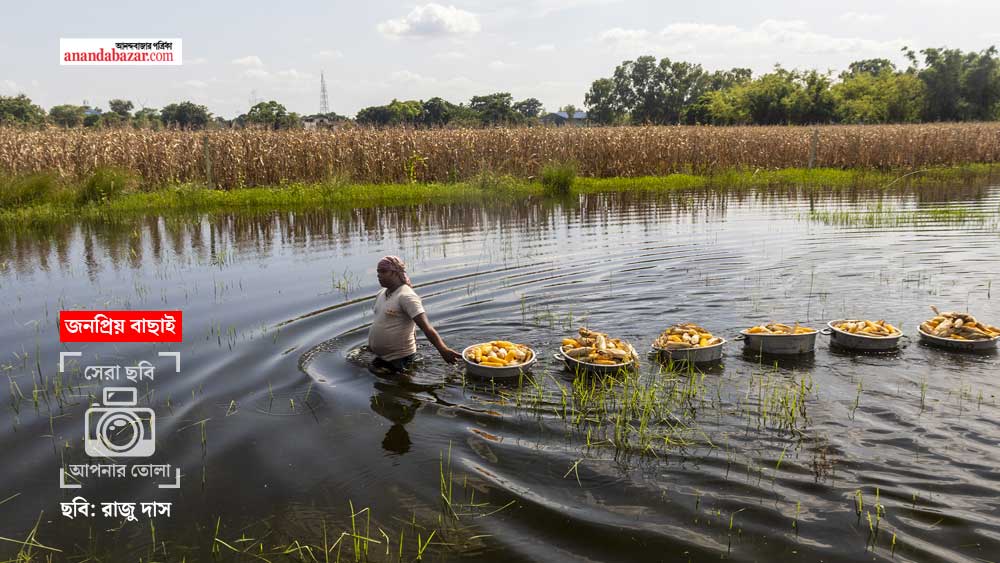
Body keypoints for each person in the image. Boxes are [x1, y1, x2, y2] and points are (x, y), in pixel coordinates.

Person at [367, 256, 462, 374]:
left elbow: (426, 327)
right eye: (378, 271)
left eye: (383, 271)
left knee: (395, 387)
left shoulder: (406, 296)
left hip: (400, 358)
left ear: (395, 273)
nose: (378, 275)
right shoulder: (381, 294)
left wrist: (443, 350)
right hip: (382, 356)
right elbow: (382, 321)